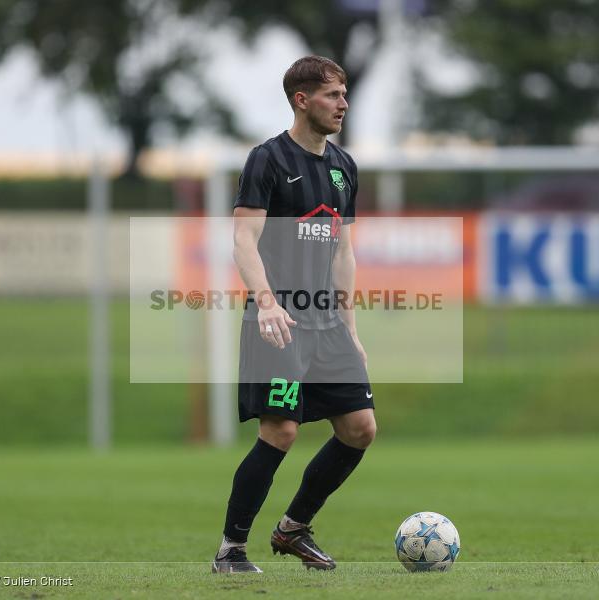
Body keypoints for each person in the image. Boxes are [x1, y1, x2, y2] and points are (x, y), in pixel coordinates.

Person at [212, 56, 376, 574]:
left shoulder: (344, 167)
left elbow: (343, 253)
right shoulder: (267, 159)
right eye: (332, 95)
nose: (343, 104)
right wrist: (266, 304)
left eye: (345, 94)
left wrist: (351, 328)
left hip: (328, 325)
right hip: (279, 323)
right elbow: (244, 241)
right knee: (280, 431)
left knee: (359, 428)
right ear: (302, 100)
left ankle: (293, 528)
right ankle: (230, 551)